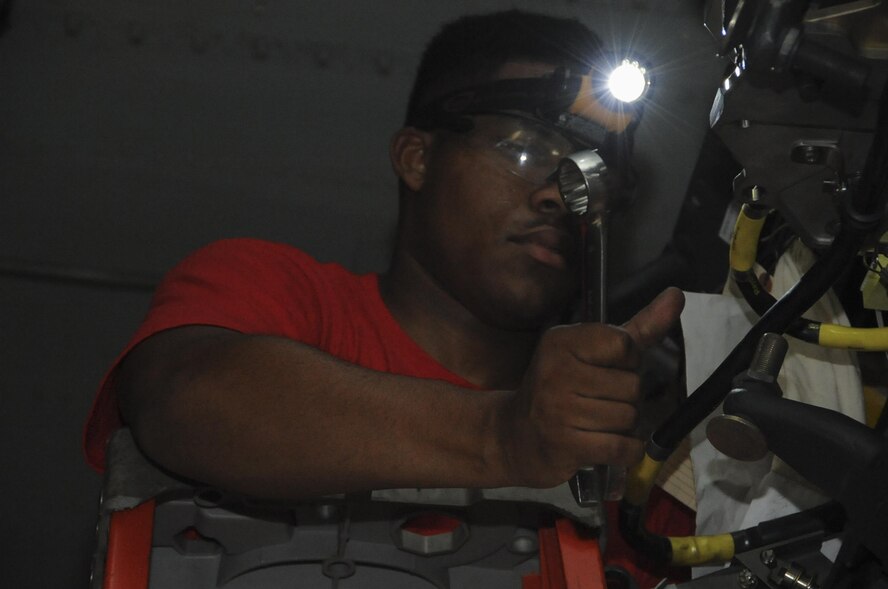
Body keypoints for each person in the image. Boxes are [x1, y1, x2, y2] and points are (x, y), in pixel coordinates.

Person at [84, 9, 693, 587]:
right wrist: (501, 437)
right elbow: (185, 398)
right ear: (417, 157)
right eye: (522, 148)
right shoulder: (279, 294)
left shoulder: (629, 466)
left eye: (594, 175)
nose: (561, 195)